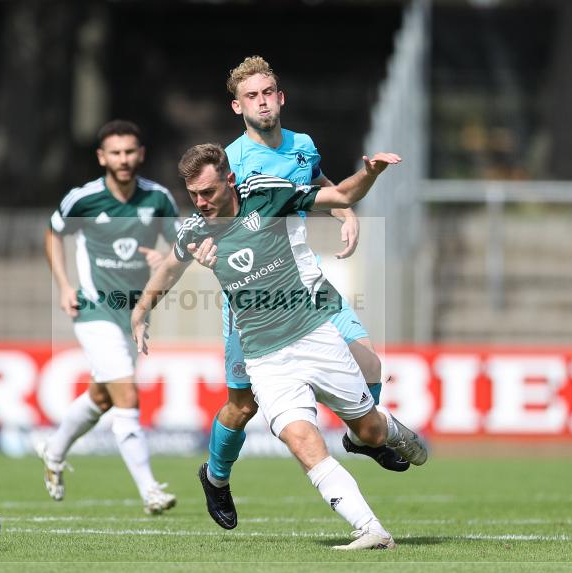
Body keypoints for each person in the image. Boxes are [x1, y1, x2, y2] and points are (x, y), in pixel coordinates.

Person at [132, 143, 427, 550]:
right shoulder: (197, 231)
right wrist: (141, 310)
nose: (200, 203)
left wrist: (371, 174)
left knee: (369, 430)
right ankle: (370, 529)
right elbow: (169, 266)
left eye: (208, 193)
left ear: (230, 181)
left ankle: (390, 431)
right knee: (301, 440)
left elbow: (340, 196)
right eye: (193, 194)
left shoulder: (270, 195)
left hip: (315, 336)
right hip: (266, 360)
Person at [194, 56, 407, 531]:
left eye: (269, 92)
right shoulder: (233, 163)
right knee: (243, 406)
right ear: (237, 106)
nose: (263, 101)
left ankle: (362, 437)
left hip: (308, 283)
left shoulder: (303, 145)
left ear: (281, 96)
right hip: (253, 303)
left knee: (369, 360)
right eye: (252, 96)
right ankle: (216, 476)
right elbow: (215, 217)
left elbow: (317, 186)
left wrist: (345, 213)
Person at [38, 119, 179, 515]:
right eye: (115, 152)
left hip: (134, 314)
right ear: (102, 157)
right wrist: (65, 285)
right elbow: (52, 233)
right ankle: (150, 489)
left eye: (130, 151)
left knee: (102, 395)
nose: (123, 159)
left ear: (141, 154)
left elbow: (183, 251)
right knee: (127, 395)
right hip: (94, 307)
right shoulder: (82, 199)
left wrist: (162, 259)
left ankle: (54, 450)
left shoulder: (159, 200)